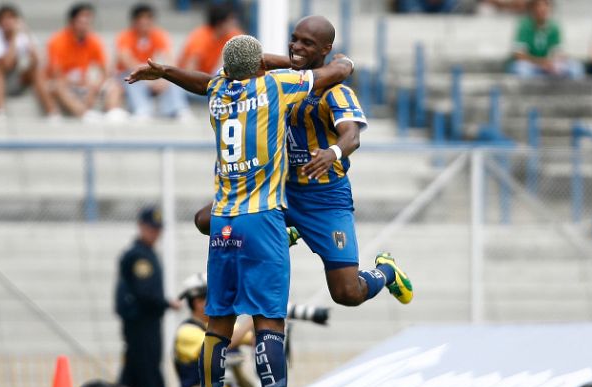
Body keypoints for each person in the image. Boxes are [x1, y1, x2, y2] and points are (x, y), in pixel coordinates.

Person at [126, 34, 354, 387]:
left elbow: (199, 81)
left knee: (218, 327)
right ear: (258, 68)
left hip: (223, 224)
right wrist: (308, 61)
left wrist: (165, 71)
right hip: (262, 219)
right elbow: (338, 71)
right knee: (269, 323)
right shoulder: (275, 87)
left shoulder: (218, 92)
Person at [164, 16, 414, 307]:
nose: (296, 45)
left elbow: (352, 137)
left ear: (326, 48)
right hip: (278, 189)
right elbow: (234, 71)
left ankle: (386, 272)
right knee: (206, 221)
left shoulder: (336, 91)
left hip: (324, 198)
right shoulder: (276, 82)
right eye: (294, 39)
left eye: (307, 43)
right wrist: (300, 60)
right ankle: (283, 230)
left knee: (347, 294)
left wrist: (331, 153)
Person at [174, 273, 277, 387]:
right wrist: (253, 315)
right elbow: (223, 343)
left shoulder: (225, 327)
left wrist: (272, 320)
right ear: (198, 301)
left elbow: (253, 339)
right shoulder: (186, 332)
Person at [114, 205, 180, 387]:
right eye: (151, 229)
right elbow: (144, 293)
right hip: (141, 321)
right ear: (141, 227)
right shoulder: (139, 256)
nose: (155, 234)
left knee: (134, 370)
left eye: (157, 230)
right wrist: (166, 303)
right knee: (147, 366)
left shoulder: (146, 253)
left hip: (146, 320)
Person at [0, 4, 58, 122]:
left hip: (12, 83)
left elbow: (38, 62)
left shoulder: (22, 35)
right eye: (4, 18)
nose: (8, 21)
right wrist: (14, 37)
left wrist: (27, 34)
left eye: (11, 17)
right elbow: (5, 64)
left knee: (35, 70)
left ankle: (52, 112)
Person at [47, 3, 127, 122]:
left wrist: (95, 85)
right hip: (66, 84)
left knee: (114, 86)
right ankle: (83, 114)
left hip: (85, 84)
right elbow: (56, 74)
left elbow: (105, 71)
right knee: (57, 85)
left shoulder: (93, 40)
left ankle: (112, 112)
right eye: (82, 20)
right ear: (72, 22)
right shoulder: (57, 41)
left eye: (88, 21)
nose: (85, 25)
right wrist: (77, 82)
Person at [115, 3, 191, 121]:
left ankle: (177, 109)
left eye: (148, 18)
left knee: (173, 76)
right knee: (134, 77)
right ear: (134, 21)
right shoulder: (125, 36)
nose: (145, 22)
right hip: (127, 75)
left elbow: (170, 60)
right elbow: (128, 61)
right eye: (141, 18)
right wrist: (148, 79)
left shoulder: (158, 35)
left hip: (147, 74)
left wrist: (166, 78)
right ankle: (142, 109)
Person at [507, 0, 584, 80]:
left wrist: (551, 63)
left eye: (546, 5)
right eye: (539, 6)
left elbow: (558, 52)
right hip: (531, 65)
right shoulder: (524, 25)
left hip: (548, 65)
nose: (542, 9)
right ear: (532, 9)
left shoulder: (554, 27)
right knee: (522, 70)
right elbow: (519, 55)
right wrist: (541, 62)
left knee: (575, 67)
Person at [178, 3, 243, 74]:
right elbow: (190, 72)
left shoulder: (234, 34)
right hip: (191, 79)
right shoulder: (200, 38)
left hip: (213, 78)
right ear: (220, 23)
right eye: (231, 20)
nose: (235, 23)